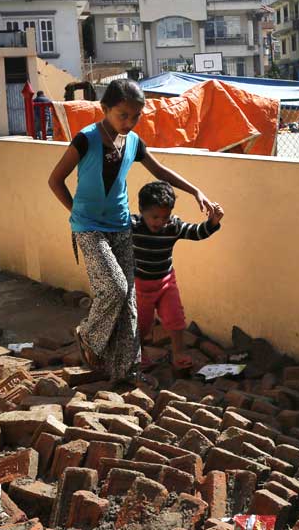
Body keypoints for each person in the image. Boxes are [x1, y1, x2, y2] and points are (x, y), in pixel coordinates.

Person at [48, 79, 216, 388]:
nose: (129, 122)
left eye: (135, 116)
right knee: (115, 287)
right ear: (105, 109)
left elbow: (160, 170)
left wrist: (196, 191)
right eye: (122, 115)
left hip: (121, 226)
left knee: (128, 303)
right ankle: (88, 336)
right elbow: (55, 180)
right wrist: (76, 214)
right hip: (89, 228)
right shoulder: (86, 140)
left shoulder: (134, 142)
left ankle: (126, 372)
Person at [131, 181, 223, 370]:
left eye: (165, 217)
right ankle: (137, 352)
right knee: (141, 324)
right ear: (142, 210)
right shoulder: (131, 225)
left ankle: (179, 353)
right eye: (155, 216)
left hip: (165, 282)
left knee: (176, 318)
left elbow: (196, 233)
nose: (160, 222)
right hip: (140, 285)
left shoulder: (173, 225)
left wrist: (213, 222)